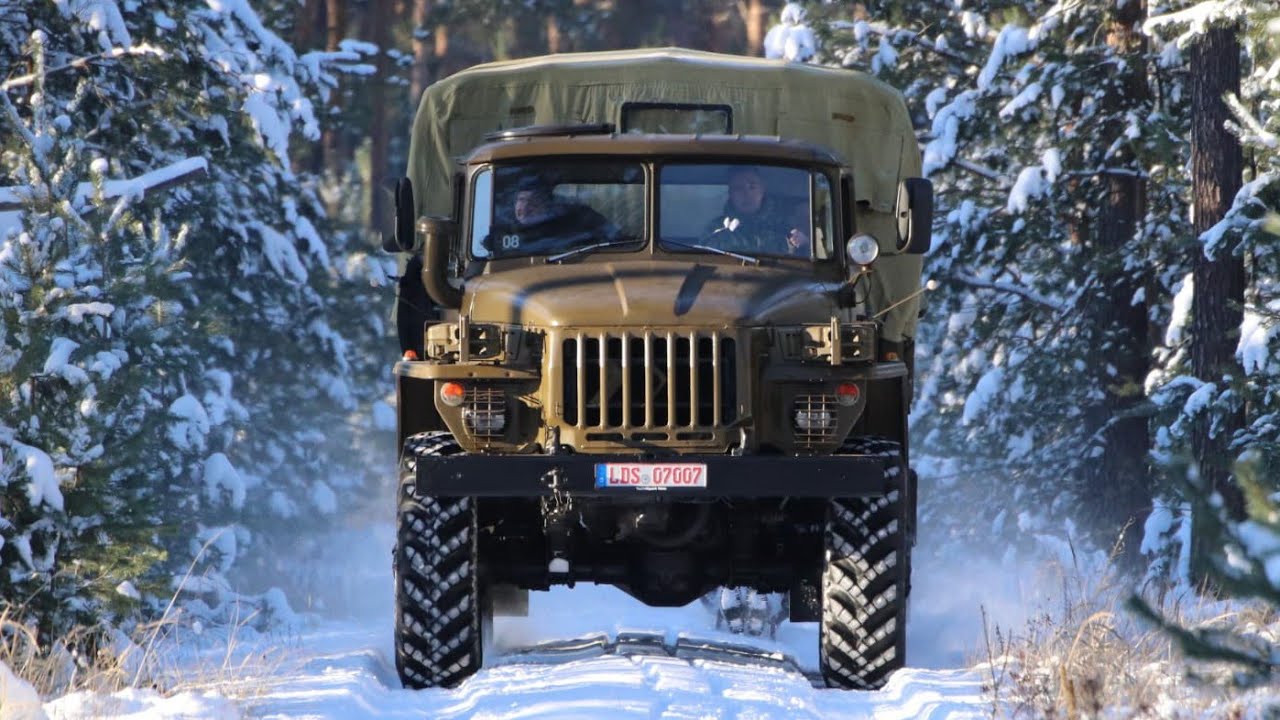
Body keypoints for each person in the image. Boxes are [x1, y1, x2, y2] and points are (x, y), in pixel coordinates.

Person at [488, 178, 618, 256]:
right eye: (521, 200)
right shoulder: (502, 231)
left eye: (534, 202)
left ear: (547, 206)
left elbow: (615, 240)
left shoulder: (574, 224)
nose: (525, 207)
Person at [705, 166, 809, 256]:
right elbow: (703, 256)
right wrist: (721, 238)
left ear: (762, 189)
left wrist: (804, 242)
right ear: (730, 193)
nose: (746, 193)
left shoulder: (786, 225)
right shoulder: (717, 228)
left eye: (752, 187)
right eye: (738, 188)